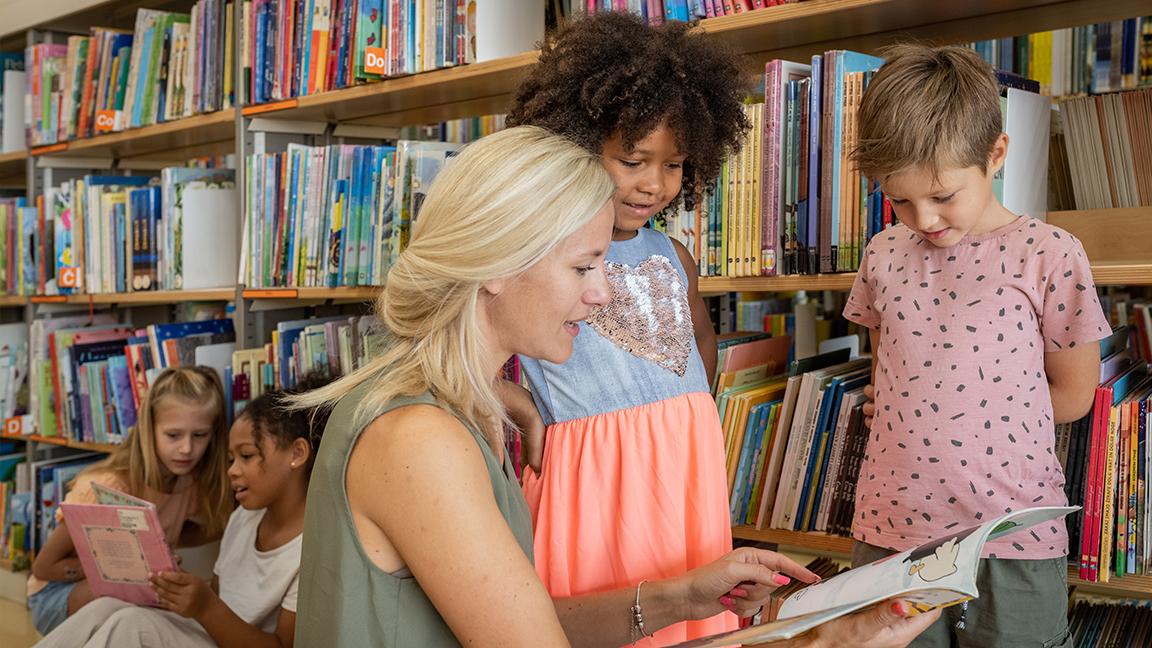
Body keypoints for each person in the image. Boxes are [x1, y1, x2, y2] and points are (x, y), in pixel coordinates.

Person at [289, 125, 938, 647]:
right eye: (582, 266)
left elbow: (526, 623)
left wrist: (680, 597)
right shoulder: (423, 442)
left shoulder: (441, 410)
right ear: (495, 264)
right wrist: (817, 642)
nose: (602, 294)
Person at [842, 44, 1109, 648]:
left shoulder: (1050, 253)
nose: (924, 218)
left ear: (995, 154)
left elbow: (1070, 396)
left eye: (942, 195)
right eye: (900, 198)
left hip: (1010, 535)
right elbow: (887, 373)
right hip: (892, 530)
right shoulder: (884, 252)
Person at [503, 13, 752, 642]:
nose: (652, 184)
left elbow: (700, 339)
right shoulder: (531, 249)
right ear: (576, 145)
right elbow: (440, 332)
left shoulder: (674, 255)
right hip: (589, 481)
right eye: (632, 159)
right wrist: (510, 399)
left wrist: (688, 415)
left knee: (691, 615)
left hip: (683, 472)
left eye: (673, 166)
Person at [34, 375, 333, 648]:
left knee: (132, 623)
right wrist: (182, 593)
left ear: (297, 454)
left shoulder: (312, 550)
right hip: (205, 633)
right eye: (230, 459)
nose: (231, 471)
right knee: (108, 607)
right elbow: (218, 598)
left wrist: (203, 605)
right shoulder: (244, 518)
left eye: (246, 456)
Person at [27, 366, 233, 636]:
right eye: (173, 435)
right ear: (150, 430)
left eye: (200, 435)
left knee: (162, 608)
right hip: (55, 594)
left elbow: (216, 526)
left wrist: (160, 552)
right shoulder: (106, 488)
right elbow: (43, 566)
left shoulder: (188, 483)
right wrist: (122, 569)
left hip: (130, 590)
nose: (186, 448)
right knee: (128, 602)